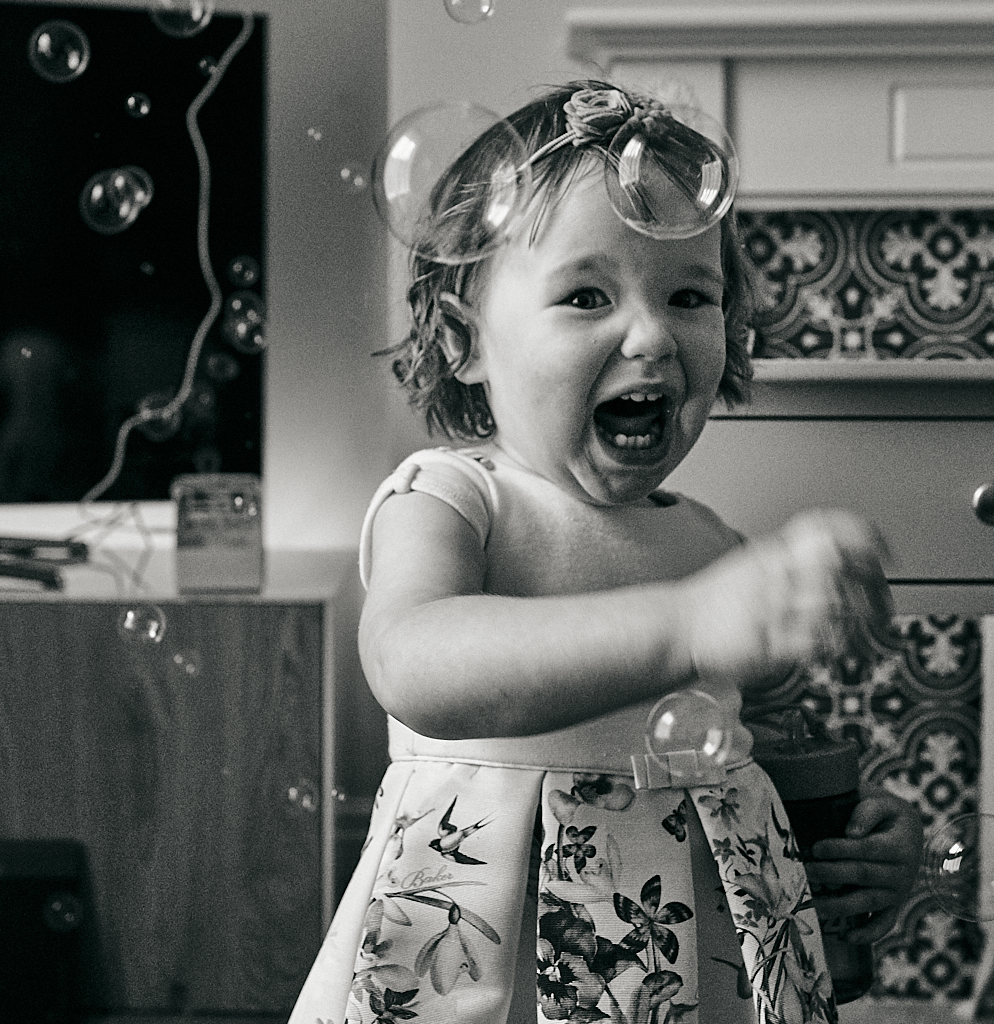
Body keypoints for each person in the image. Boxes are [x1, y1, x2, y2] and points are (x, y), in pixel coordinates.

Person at [295, 80, 922, 1024]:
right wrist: (685, 621)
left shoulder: (712, 545)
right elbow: (411, 658)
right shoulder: (455, 500)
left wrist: (869, 835)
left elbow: (772, 754)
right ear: (466, 341)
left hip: (695, 969)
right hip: (482, 970)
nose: (651, 331)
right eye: (586, 294)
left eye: (690, 295)